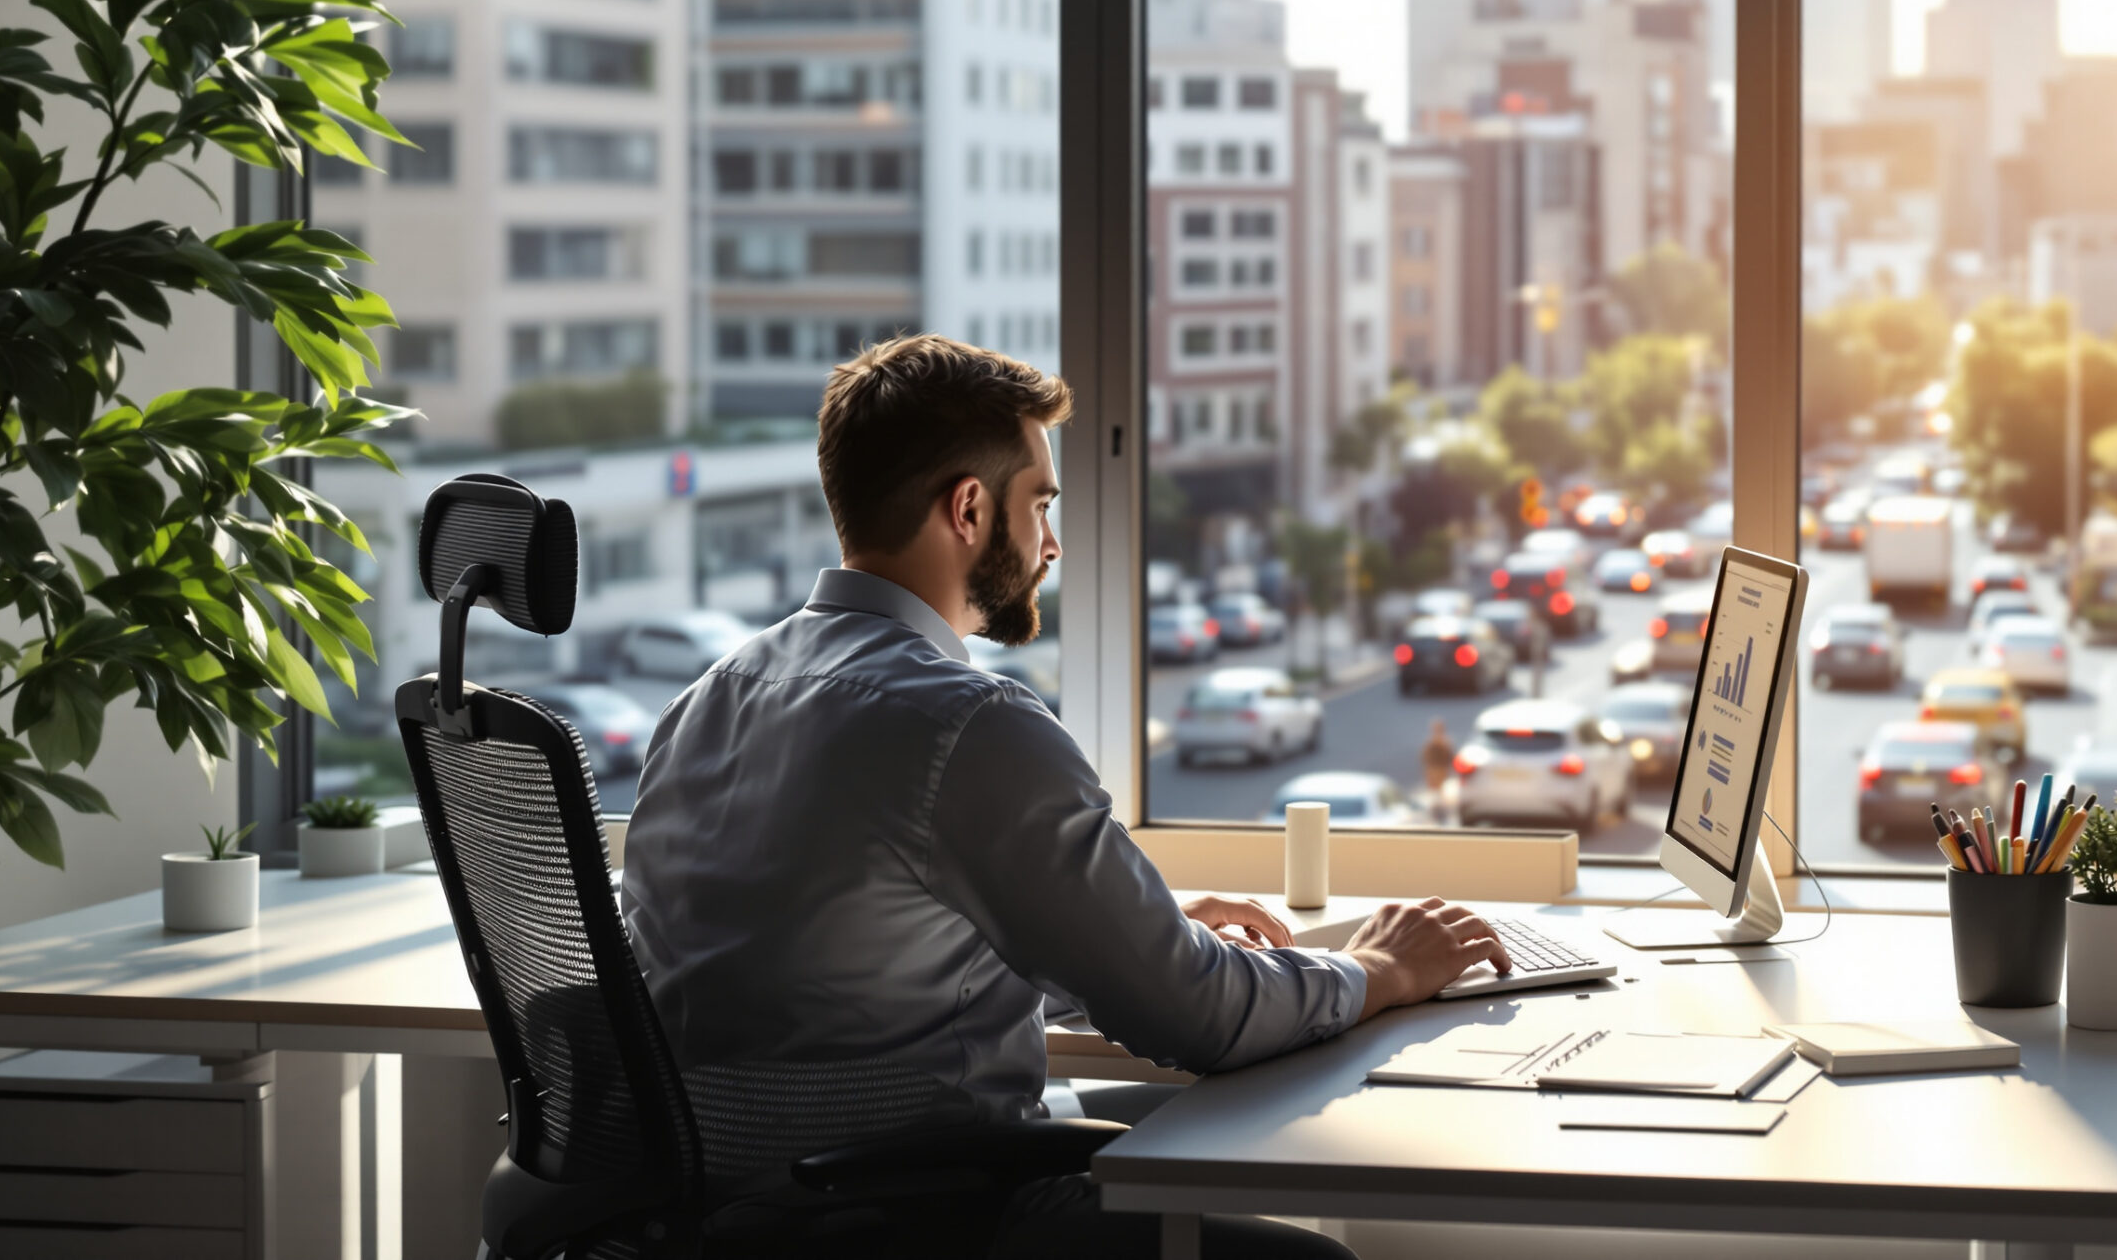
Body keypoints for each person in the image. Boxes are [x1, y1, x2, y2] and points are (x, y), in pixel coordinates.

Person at [621, 336, 1509, 1260]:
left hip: (734, 1213)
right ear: (969, 508)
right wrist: (1381, 968)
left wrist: (1118, 932)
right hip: (928, 1215)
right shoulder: (967, 722)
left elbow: (832, 981)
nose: (1052, 543)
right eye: (1040, 505)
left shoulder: (708, 699)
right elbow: (1196, 1016)